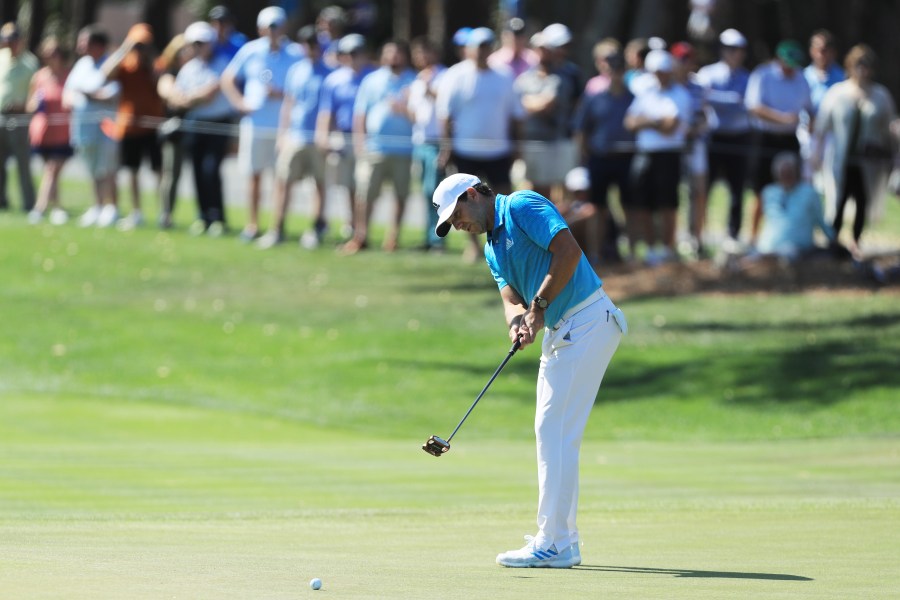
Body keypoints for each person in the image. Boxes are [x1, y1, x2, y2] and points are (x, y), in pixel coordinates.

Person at [430, 172, 626, 569]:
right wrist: (519, 321)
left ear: (473, 194)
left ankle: (553, 541)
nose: (458, 225)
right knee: (554, 434)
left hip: (587, 319)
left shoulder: (521, 205)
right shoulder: (492, 249)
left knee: (553, 432)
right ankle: (562, 540)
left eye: (458, 214)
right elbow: (510, 298)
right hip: (564, 330)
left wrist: (537, 309)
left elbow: (568, 252)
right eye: (451, 223)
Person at [436, 26, 524, 262]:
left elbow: (515, 115)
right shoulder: (455, 75)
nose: (482, 51)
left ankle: (508, 242)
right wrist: (447, 147)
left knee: (504, 199)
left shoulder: (504, 75)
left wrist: (517, 145)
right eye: (478, 46)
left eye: (486, 45)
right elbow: (445, 115)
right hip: (466, 151)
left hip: (499, 150)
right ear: (469, 49)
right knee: (464, 204)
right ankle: (474, 246)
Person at [221, 6, 303, 242]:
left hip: (283, 127)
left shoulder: (296, 53)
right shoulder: (251, 50)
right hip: (255, 123)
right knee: (254, 176)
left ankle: (276, 227)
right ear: (260, 29)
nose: (273, 31)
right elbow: (228, 78)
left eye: (277, 26)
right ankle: (252, 225)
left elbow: (301, 87)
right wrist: (240, 103)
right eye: (269, 27)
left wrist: (282, 94)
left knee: (281, 178)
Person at [812, 45, 897, 260]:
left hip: (867, 162)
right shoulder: (838, 93)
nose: (863, 69)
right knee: (838, 200)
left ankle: (855, 242)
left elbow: (889, 129)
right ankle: (833, 239)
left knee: (862, 200)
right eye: (859, 64)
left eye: (867, 65)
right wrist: (815, 154)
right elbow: (822, 127)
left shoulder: (880, 95)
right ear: (850, 66)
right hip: (840, 159)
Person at [258, 25, 334, 249]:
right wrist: (283, 135)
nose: (310, 48)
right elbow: (288, 104)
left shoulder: (329, 73)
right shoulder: (296, 70)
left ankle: (315, 228)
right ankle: (277, 229)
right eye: (307, 44)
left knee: (318, 185)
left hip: (317, 140)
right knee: (283, 183)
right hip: (294, 137)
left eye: (314, 44)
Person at [341, 39, 416, 254]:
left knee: (400, 196)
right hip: (374, 148)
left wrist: (404, 110)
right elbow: (360, 113)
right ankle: (360, 236)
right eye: (389, 53)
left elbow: (421, 116)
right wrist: (359, 142)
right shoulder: (371, 80)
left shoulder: (413, 81)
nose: (393, 57)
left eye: (398, 53)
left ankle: (393, 238)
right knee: (365, 195)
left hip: (404, 150)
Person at [624, 49, 691, 264]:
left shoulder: (680, 95)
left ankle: (668, 248)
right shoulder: (647, 94)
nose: (659, 75)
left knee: (667, 203)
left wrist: (646, 121)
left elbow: (671, 127)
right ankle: (651, 247)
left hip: (669, 155)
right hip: (646, 154)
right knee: (643, 202)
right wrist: (656, 122)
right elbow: (630, 122)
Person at [745, 39, 812, 245]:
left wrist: (809, 125)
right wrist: (782, 118)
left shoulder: (801, 79)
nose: (791, 68)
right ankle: (753, 237)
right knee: (761, 190)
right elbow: (754, 107)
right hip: (766, 139)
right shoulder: (763, 75)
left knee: (792, 187)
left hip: (790, 140)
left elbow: (809, 109)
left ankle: (788, 235)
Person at [101, 23, 166, 230]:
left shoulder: (155, 65)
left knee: (158, 170)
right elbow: (105, 74)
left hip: (152, 126)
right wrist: (125, 48)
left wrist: (150, 60)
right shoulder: (125, 64)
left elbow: (161, 81)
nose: (139, 48)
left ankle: (163, 212)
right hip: (128, 127)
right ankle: (136, 211)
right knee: (131, 171)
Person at [573, 50, 634, 263]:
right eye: (611, 69)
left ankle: (631, 252)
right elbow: (581, 130)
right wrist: (584, 156)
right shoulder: (594, 98)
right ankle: (596, 252)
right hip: (599, 158)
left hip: (627, 158)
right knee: (596, 207)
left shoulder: (632, 99)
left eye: (619, 69)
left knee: (629, 206)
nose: (615, 74)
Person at [175, 21, 235, 235]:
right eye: (196, 43)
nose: (199, 47)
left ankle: (217, 216)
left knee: (211, 170)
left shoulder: (222, 64)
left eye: (203, 42)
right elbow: (178, 98)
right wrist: (192, 98)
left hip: (218, 123)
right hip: (195, 124)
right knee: (197, 172)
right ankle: (203, 216)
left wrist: (191, 98)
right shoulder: (189, 68)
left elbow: (209, 95)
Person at [315, 34, 375, 242]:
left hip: (369, 138)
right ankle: (352, 224)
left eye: (355, 53)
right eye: (346, 53)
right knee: (346, 184)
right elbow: (327, 112)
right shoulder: (334, 80)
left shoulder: (373, 77)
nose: (351, 57)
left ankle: (362, 227)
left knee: (364, 185)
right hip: (343, 135)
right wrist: (323, 135)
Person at [696, 28, 752, 245]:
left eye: (737, 49)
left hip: (739, 137)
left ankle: (733, 233)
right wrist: (732, 100)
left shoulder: (748, 77)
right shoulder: (707, 73)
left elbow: (747, 104)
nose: (733, 53)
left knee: (737, 188)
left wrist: (717, 99)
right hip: (713, 137)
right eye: (729, 49)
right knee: (704, 188)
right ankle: (700, 234)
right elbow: (703, 98)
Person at [63, 26, 120, 228]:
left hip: (106, 125)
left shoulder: (111, 64)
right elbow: (68, 93)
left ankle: (112, 207)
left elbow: (111, 94)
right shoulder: (82, 64)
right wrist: (79, 96)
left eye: (84, 42)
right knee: (92, 167)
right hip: (82, 124)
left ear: (97, 45)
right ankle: (97, 206)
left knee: (108, 167)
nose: (80, 46)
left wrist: (88, 94)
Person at [514, 31, 576, 201]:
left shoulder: (561, 78)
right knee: (533, 190)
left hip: (557, 141)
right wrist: (532, 103)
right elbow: (518, 105)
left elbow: (547, 104)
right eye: (539, 49)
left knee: (560, 191)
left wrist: (529, 102)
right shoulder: (524, 78)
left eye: (547, 49)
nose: (543, 53)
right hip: (532, 141)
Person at [756, 151, 836, 260]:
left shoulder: (810, 193)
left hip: (796, 249)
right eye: (783, 173)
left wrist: (833, 240)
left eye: (789, 172)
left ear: (796, 172)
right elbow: (757, 215)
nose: (786, 176)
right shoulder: (769, 192)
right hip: (767, 246)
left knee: (785, 254)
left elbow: (820, 221)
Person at [26, 36, 72, 225]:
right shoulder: (39, 77)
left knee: (52, 169)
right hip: (42, 131)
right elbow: (29, 106)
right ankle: (58, 208)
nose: (50, 56)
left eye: (54, 52)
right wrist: (35, 102)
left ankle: (40, 207)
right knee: (50, 171)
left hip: (63, 131)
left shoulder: (69, 75)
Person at [407, 36, 446, 252]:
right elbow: (415, 113)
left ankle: (438, 238)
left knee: (435, 191)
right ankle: (428, 235)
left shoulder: (443, 75)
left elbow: (445, 105)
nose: (421, 57)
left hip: (436, 142)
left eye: (425, 52)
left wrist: (431, 90)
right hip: (420, 142)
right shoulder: (417, 79)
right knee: (424, 191)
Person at [671, 41, 710, 257]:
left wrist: (695, 129)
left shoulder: (699, 86)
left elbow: (705, 115)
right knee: (677, 193)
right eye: (680, 60)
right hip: (674, 146)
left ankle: (697, 237)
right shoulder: (669, 86)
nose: (685, 64)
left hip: (696, 144)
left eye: (688, 60)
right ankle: (677, 238)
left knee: (698, 191)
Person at [0, 22, 38, 213]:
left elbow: (36, 93)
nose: (9, 43)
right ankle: (2, 201)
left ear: (20, 40)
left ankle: (29, 204)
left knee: (23, 164)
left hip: (20, 118)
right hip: (0, 116)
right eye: (6, 39)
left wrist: (23, 106)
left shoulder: (30, 63)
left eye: (12, 39)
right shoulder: (1, 58)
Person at [155, 34, 192, 229]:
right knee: (171, 173)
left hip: (196, 128)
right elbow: (170, 94)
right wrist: (195, 97)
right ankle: (166, 214)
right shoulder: (170, 74)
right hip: (175, 131)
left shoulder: (197, 71)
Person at [804, 30, 844, 113]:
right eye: (817, 49)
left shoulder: (842, 77)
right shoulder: (803, 76)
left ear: (832, 52)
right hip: (808, 124)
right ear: (811, 51)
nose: (821, 54)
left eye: (824, 50)